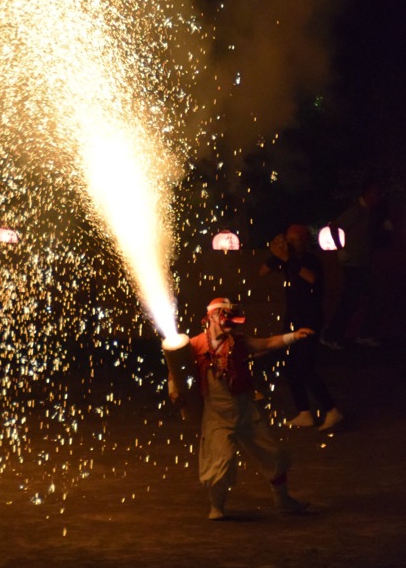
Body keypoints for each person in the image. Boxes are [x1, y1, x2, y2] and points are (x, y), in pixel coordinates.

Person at [167, 297, 312, 520]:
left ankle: (282, 499)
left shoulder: (239, 342)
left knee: (273, 455)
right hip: (216, 414)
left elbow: (268, 343)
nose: (231, 325)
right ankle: (217, 506)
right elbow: (175, 370)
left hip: (245, 409)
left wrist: (293, 336)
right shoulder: (194, 344)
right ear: (212, 317)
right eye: (226, 319)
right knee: (219, 463)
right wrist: (174, 392)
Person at [261, 225, 343, 431]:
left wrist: (287, 258)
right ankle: (304, 413)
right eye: (288, 239)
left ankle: (332, 410)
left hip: (310, 318)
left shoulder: (310, 260)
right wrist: (276, 254)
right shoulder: (286, 258)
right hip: (293, 317)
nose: (291, 243)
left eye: (295, 240)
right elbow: (262, 272)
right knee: (290, 366)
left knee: (305, 365)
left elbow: (311, 278)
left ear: (305, 241)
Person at [321, 180, 390, 349]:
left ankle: (358, 334)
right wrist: (340, 249)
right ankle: (332, 336)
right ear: (367, 193)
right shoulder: (356, 211)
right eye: (375, 193)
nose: (377, 197)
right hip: (354, 265)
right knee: (352, 301)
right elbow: (334, 226)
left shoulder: (369, 212)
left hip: (362, 264)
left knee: (366, 299)